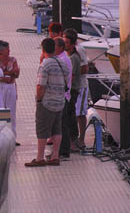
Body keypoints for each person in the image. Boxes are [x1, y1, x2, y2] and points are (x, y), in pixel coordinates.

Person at [25, 38, 68, 167]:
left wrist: (38, 99)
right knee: (57, 129)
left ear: (43, 49)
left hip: (47, 102)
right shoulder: (62, 63)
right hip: (60, 101)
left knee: (42, 129)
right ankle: (55, 156)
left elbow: (41, 86)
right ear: (54, 49)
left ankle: (39, 158)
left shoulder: (45, 64)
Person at [64, 28, 89, 150]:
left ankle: (81, 140)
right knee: (72, 113)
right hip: (71, 88)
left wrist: (72, 73)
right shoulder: (67, 54)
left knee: (80, 113)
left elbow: (85, 68)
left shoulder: (78, 52)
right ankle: (72, 139)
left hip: (80, 86)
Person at [0, 40, 20, 145]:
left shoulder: (13, 59)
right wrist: (10, 73)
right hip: (0, 87)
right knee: (0, 111)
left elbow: (17, 73)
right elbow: (12, 72)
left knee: (11, 112)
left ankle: (12, 137)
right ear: (0, 50)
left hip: (10, 87)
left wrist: (5, 73)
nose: (9, 51)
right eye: (7, 49)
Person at [54, 38, 73, 159]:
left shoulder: (62, 60)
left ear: (60, 47)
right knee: (60, 124)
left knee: (61, 124)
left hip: (62, 96)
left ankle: (63, 151)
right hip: (61, 96)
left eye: (54, 46)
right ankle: (61, 150)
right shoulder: (60, 59)